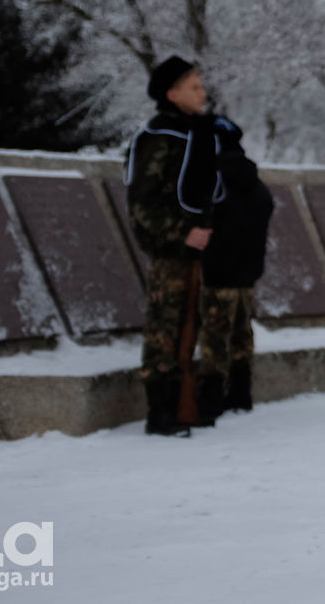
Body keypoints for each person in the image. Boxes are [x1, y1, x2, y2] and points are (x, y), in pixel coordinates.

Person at [126, 56, 224, 435]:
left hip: (200, 247)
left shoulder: (198, 132)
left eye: (201, 85)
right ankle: (161, 411)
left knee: (191, 324)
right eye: (194, 86)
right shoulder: (158, 136)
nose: (202, 93)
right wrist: (182, 233)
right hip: (171, 250)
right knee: (165, 328)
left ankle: (189, 404)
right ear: (172, 94)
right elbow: (143, 201)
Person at [203, 114, 274, 416]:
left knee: (215, 336)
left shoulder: (214, 178)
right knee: (242, 332)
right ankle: (241, 393)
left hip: (217, 271)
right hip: (247, 272)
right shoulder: (253, 180)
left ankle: (210, 398)